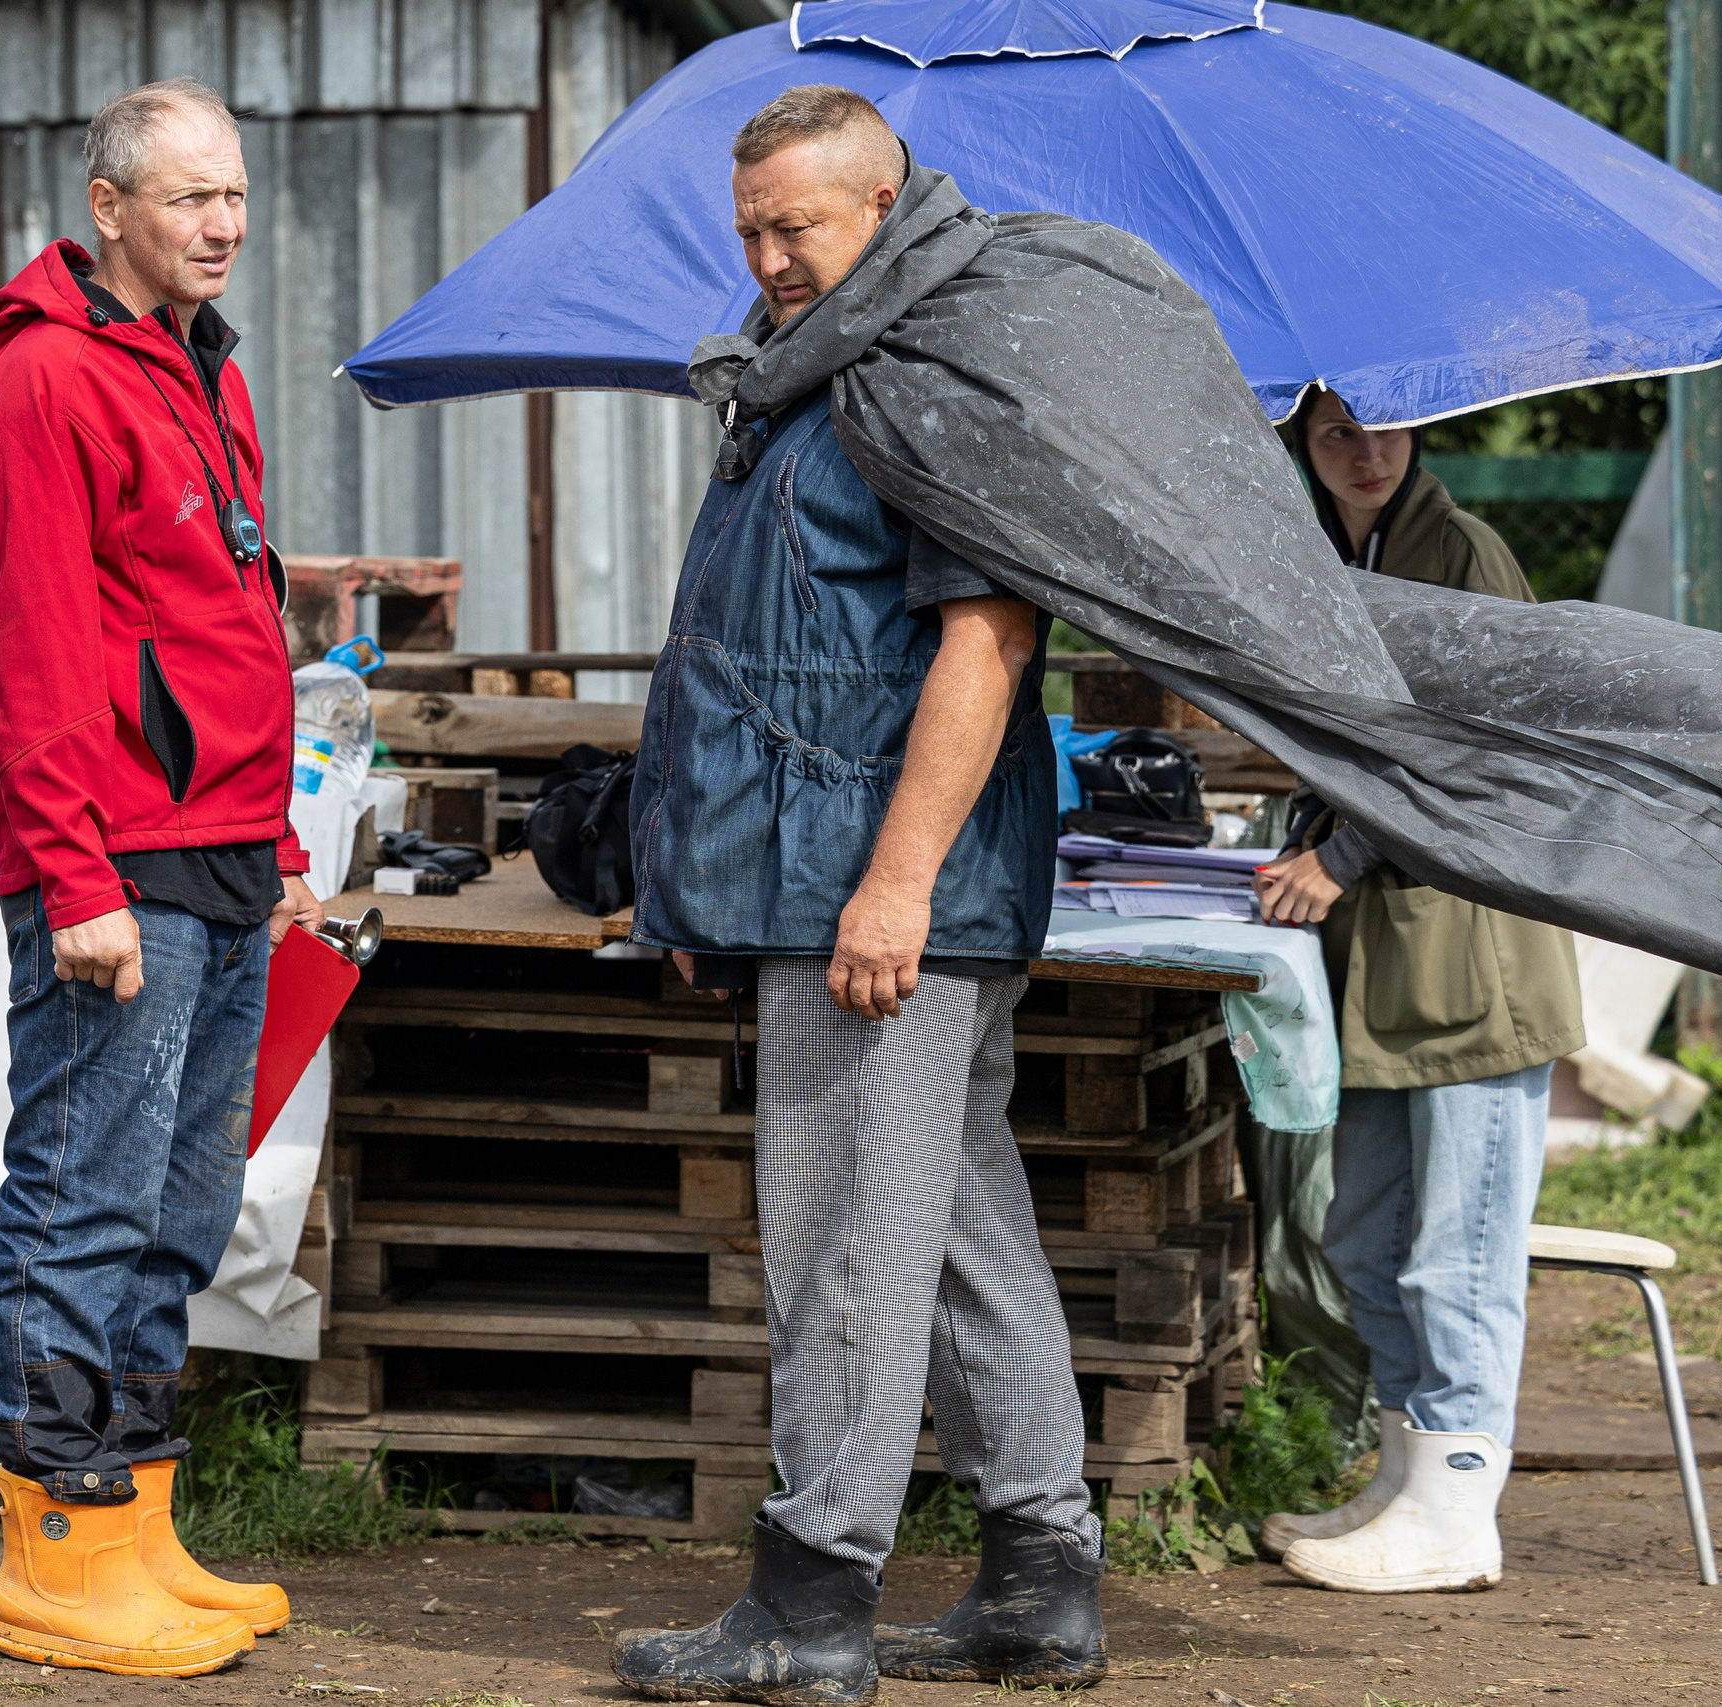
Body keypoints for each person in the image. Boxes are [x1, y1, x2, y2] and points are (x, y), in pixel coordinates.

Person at [613, 87, 1104, 1706]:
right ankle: (1041, 1579)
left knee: (844, 1243)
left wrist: (894, 886)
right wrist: (708, 887)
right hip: (827, 884)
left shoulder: (922, 373)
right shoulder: (822, 372)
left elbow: (989, 639)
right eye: (750, 229)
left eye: (797, 227)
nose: (767, 257)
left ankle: (810, 1604)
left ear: (883, 207)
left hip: (880, 902)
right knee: (957, 1231)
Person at [0, 77, 319, 1676]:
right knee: (83, 1200)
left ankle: (135, 1524)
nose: (224, 225)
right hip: (119, 863)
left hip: (223, 854)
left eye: (234, 195)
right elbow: (33, 654)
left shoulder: (202, 368)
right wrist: (71, 872)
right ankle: (53, 1556)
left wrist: (281, 843)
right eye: (190, 199)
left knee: (181, 1211)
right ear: (108, 209)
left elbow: (229, 620)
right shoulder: (44, 381)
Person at [1249, 387, 1584, 1594]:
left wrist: (1336, 858)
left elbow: (1486, 750)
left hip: (1472, 958)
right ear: (1303, 443)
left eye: (1387, 425)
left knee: (1460, 1249)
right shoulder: (1339, 554)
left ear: (1422, 428)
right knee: (1365, 1233)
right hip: (1388, 961)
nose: (1368, 452)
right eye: (1338, 432)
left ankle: (1458, 1511)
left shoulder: (1461, 554)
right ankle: (1408, 1476)